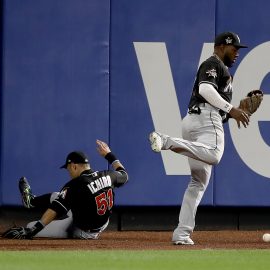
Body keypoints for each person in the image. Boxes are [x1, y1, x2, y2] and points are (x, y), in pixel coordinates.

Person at [149, 32, 250, 245]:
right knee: (214, 155)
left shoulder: (223, 71)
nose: (237, 54)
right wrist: (232, 109)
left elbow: (220, 113)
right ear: (222, 46)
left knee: (197, 182)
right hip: (204, 118)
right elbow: (205, 89)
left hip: (195, 121)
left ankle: (182, 234)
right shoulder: (214, 63)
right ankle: (167, 141)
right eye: (235, 49)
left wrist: (237, 109)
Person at [13, 139, 128, 239]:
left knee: (30, 225)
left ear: (74, 166)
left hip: (82, 231)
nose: (69, 172)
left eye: (69, 169)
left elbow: (55, 210)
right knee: (61, 196)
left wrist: (32, 230)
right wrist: (109, 154)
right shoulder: (108, 175)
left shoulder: (75, 185)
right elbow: (124, 174)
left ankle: (31, 212)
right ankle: (31, 201)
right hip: (101, 223)